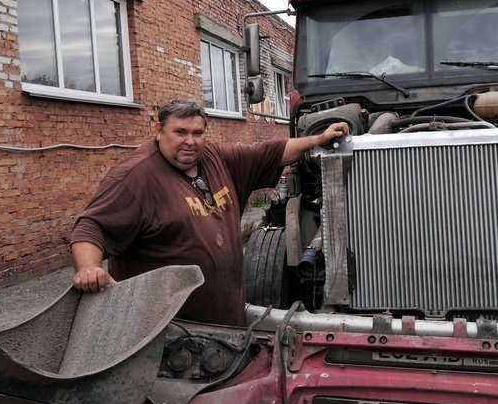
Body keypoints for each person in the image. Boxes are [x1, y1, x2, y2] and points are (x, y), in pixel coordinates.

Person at [69, 99, 349, 325]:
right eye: (180, 132)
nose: (190, 141)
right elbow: (90, 228)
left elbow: (271, 152)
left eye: (197, 133)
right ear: (159, 130)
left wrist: (317, 140)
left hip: (224, 319)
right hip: (169, 329)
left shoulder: (214, 158)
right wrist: (89, 268)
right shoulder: (135, 177)